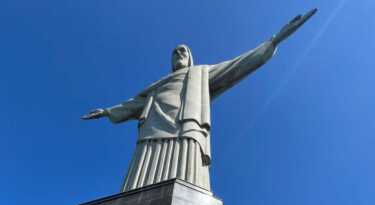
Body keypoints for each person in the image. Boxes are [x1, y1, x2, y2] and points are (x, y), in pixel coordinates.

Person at [82, 10, 317, 193]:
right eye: (175, 52)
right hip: (153, 129)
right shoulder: (156, 86)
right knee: (141, 176)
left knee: (187, 176)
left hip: (186, 125)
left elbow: (237, 65)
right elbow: (133, 104)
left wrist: (273, 41)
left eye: (183, 51)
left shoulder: (201, 74)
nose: (178, 54)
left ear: (190, 56)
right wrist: (106, 112)